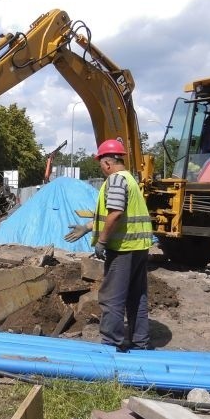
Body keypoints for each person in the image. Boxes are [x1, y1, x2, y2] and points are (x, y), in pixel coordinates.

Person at [63, 139, 153, 352]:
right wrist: (87, 227)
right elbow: (112, 212)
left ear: (107, 163)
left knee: (112, 297)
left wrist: (102, 241)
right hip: (139, 246)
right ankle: (141, 343)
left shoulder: (115, 180)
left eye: (100, 165)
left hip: (122, 248)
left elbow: (115, 213)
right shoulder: (129, 179)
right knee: (137, 296)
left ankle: (111, 345)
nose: (102, 169)